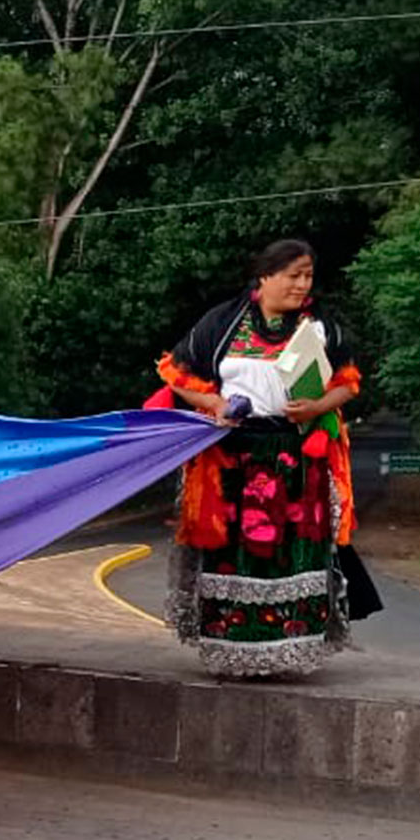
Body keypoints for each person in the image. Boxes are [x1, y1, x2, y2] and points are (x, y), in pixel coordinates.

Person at [157, 239, 376, 678]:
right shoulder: (222, 323)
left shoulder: (319, 327)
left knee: (292, 553)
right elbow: (175, 373)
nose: (302, 284)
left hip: (296, 458)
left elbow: (348, 383)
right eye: (293, 275)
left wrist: (316, 408)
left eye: (308, 276)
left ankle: (289, 652)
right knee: (234, 552)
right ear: (265, 277)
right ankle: (233, 650)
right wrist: (214, 404)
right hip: (233, 458)